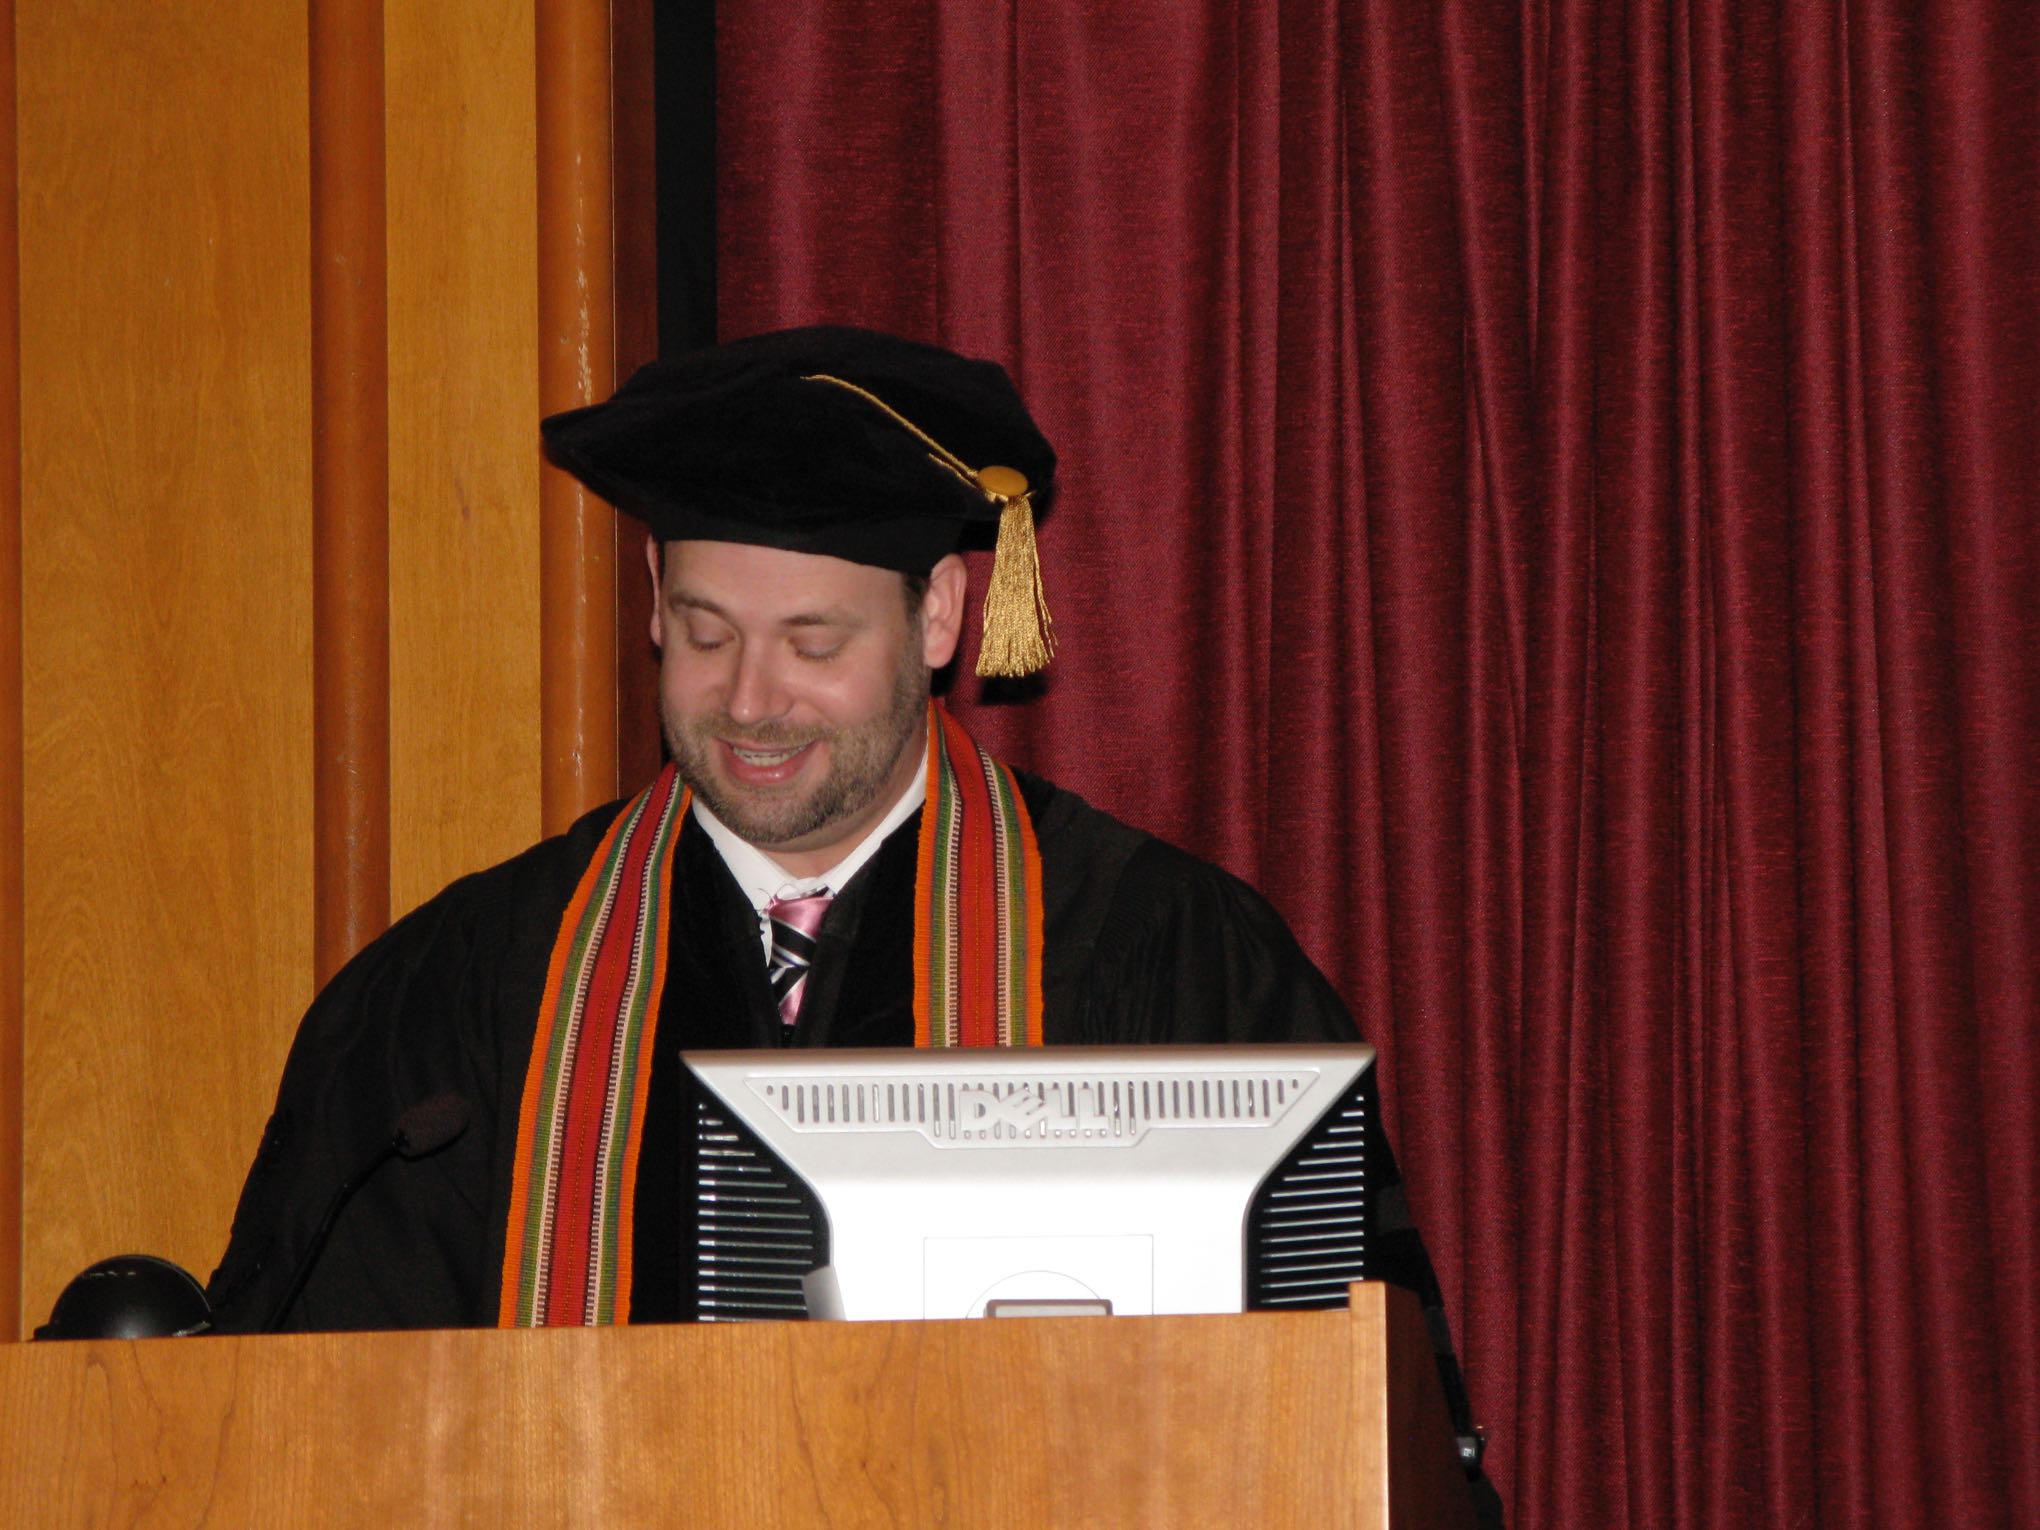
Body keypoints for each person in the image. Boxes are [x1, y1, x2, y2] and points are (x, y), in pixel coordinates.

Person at [205, 331, 1475, 1468]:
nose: (751, 701)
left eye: (814, 644)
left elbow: (1344, 1426)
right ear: (653, 597)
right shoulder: (469, 991)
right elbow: (309, 1434)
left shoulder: (1163, 959)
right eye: (707, 633)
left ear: (940, 615)